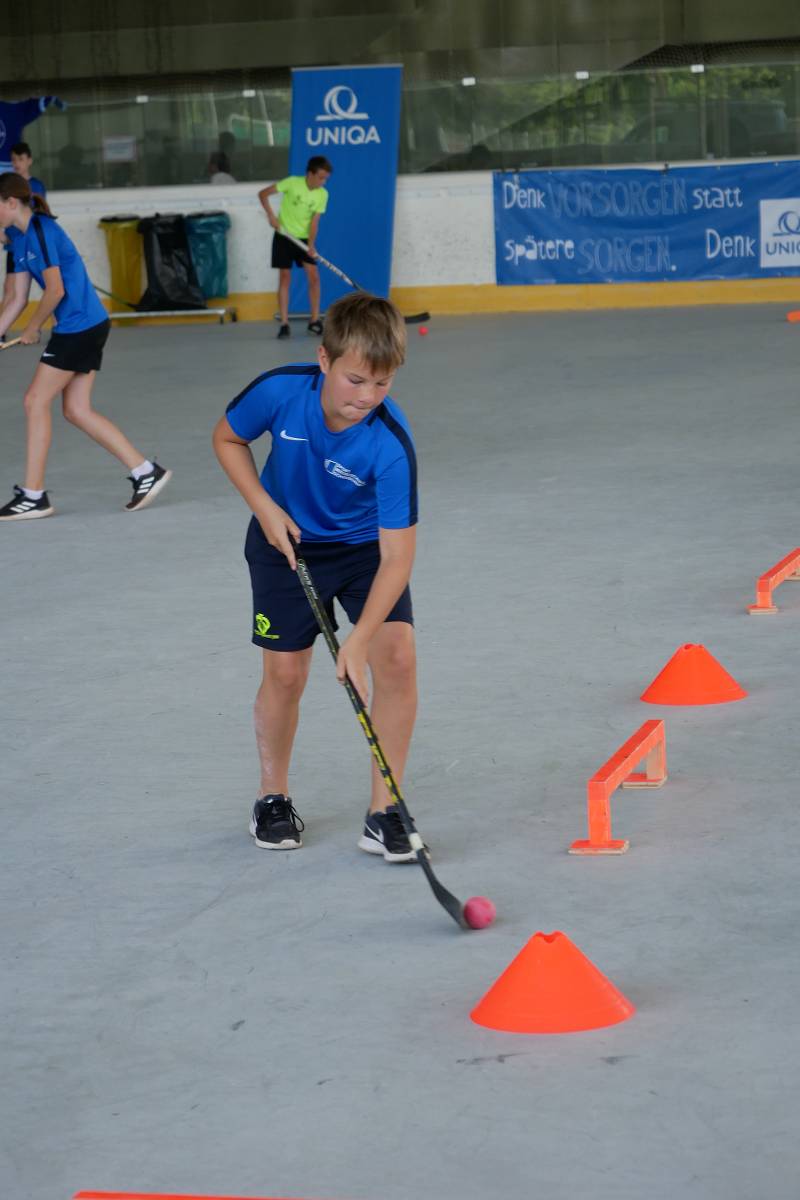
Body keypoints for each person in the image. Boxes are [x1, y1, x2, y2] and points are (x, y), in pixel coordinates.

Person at [212, 291, 419, 861]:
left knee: (396, 658)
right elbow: (227, 438)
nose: (367, 397)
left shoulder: (390, 443)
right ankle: (272, 798)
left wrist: (358, 640)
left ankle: (384, 812)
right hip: (284, 541)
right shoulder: (281, 392)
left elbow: (397, 558)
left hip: (362, 551)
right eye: (355, 380)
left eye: (382, 383)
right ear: (324, 359)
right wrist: (263, 507)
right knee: (285, 675)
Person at [0, 173, 172, 520]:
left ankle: (33, 495)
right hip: (81, 325)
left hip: (80, 326)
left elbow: (56, 290)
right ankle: (145, 472)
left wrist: (33, 327)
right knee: (76, 410)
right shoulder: (18, 240)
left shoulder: (43, 231)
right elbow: (16, 297)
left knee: (35, 400)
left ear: (11, 202)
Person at [258, 155, 332, 340]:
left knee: (314, 277)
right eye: (321, 178)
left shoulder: (323, 194)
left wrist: (311, 245)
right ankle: (284, 324)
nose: (323, 182)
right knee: (285, 277)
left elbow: (314, 222)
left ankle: (314, 321)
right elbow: (263, 194)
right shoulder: (291, 183)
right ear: (310, 174)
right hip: (283, 235)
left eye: (326, 179)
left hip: (304, 239)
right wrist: (271, 217)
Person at [1, 142, 48, 329]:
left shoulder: (36, 186)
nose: (16, 163)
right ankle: (2, 332)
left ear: (29, 160)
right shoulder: (6, 187)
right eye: (13, 160)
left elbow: (38, 215)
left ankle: (59, 328)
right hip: (14, 247)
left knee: (50, 285)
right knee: (10, 289)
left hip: (33, 246)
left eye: (20, 159)